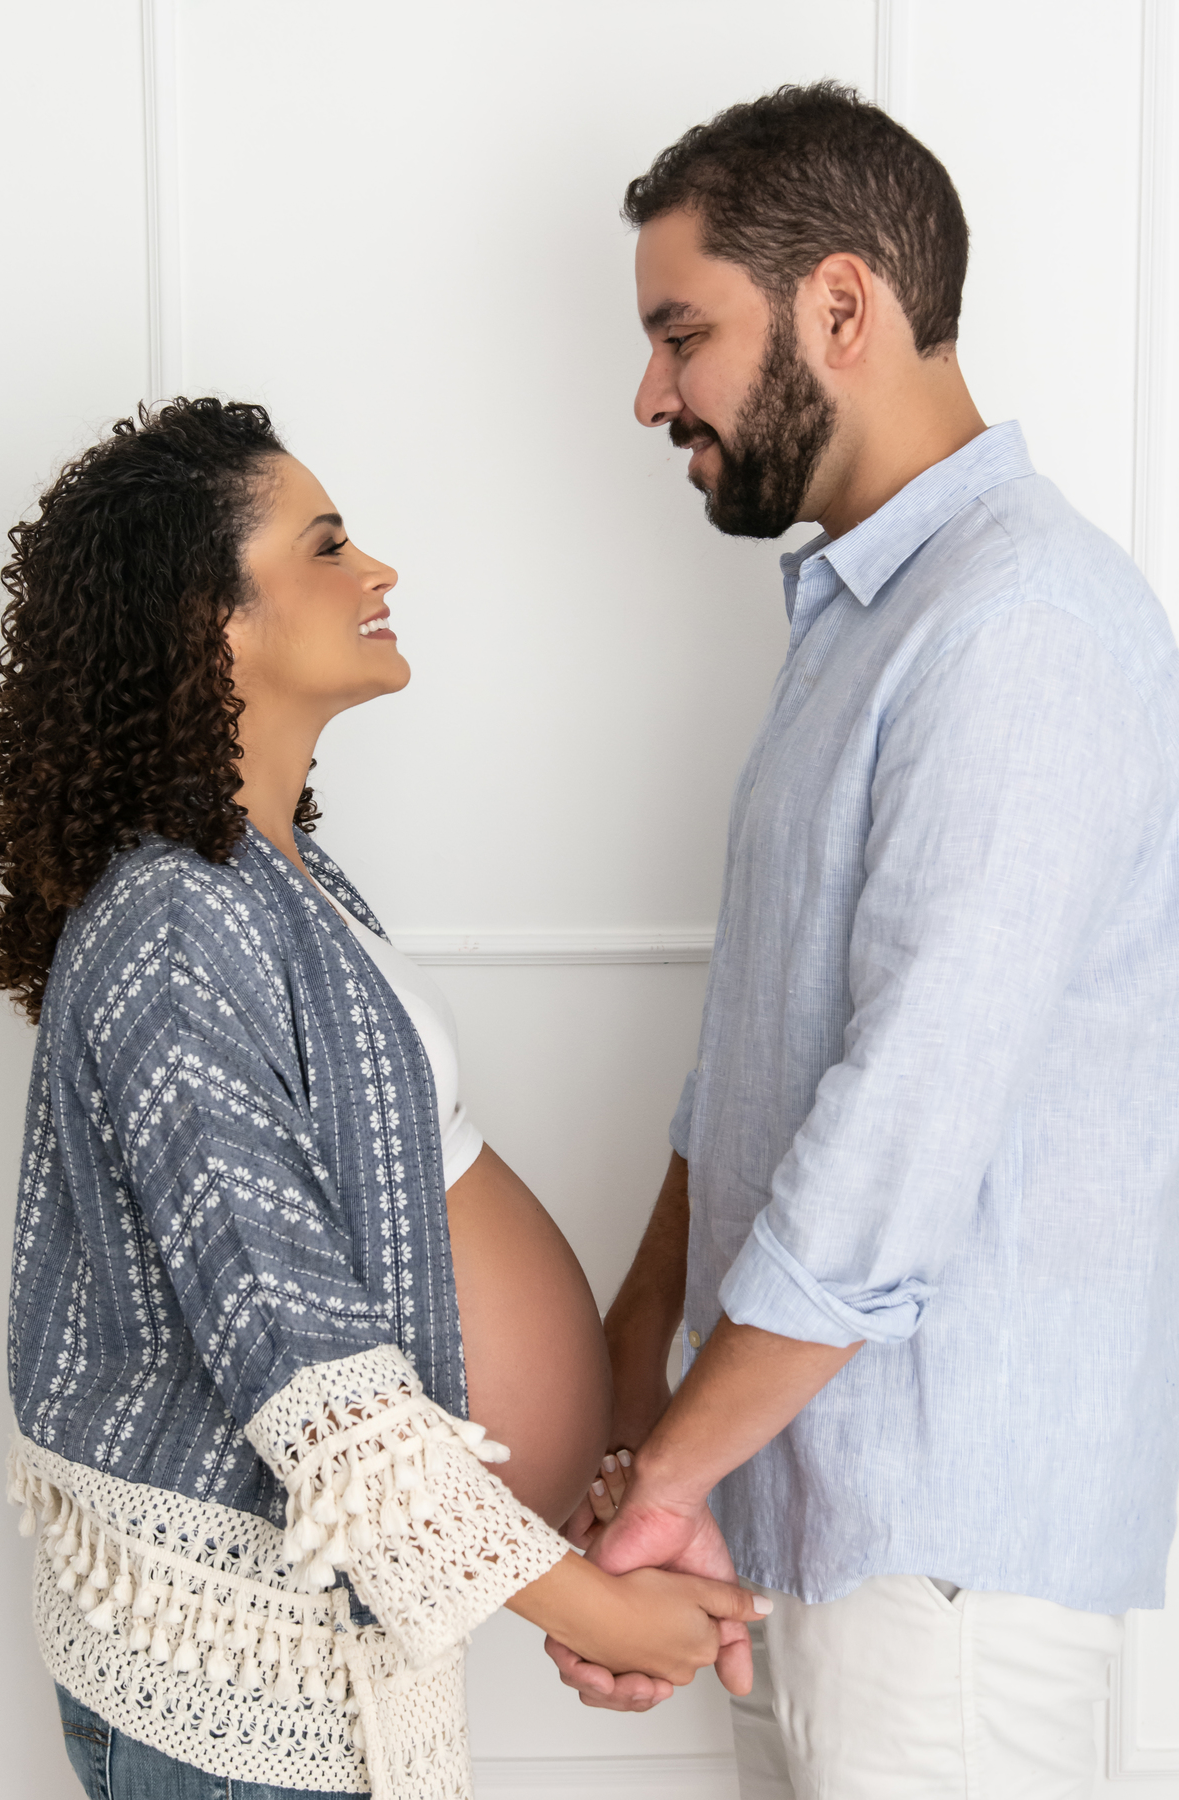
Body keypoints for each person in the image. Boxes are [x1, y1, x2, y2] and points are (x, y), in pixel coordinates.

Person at [0, 398, 764, 1800]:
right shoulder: (170, 927)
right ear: (204, 617)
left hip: (338, 1652)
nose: (379, 572)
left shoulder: (283, 886)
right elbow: (299, 1359)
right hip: (234, 1690)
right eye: (328, 545)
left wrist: (568, 1516)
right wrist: (583, 1606)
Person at [549, 81, 1179, 1800]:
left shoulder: (1018, 628)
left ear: (843, 304)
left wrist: (667, 1472)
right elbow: (754, 1071)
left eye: (683, 332)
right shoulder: (859, 622)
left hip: (937, 1577)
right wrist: (632, 1410)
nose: (649, 391)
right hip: (806, 1531)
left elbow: (894, 1134)